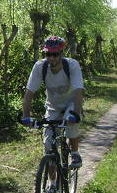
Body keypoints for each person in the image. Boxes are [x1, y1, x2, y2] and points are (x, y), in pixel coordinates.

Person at [21, 35, 84, 168]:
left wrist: (76, 113)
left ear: (61, 54)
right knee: (48, 146)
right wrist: (26, 116)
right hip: (53, 107)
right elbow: (29, 93)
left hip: (71, 103)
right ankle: (52, 179)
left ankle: (75, 153)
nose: (51, 58)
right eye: (48, 54)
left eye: (55, 54)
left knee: (71, 125)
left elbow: (78, 91)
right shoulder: (40, 67)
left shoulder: (72, 65)